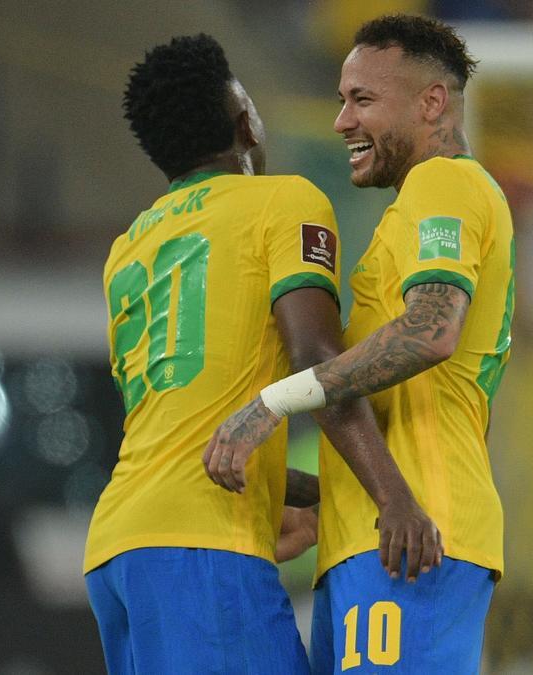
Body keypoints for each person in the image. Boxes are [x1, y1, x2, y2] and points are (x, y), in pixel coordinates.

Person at [85, 34, 436, 674]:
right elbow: (315, 355)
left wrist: (301, 488)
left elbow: (177, 424)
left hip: (117, 550)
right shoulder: (284, 201)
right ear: (242, 118)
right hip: (200, 547)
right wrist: (394, 498)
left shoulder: (128, 248)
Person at [205, 15, 514, 673]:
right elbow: (397, 399)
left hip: (417, 540)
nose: (342, 120)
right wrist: (323, 497)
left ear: (432, 102)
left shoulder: (446, 183)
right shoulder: (404, 218)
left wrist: (274, 401)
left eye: (363, 100)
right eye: (343, 99)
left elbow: (432, 331)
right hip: (372, 542)